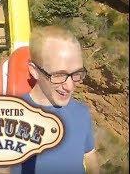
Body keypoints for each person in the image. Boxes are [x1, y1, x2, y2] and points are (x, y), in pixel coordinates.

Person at [13, 26, 99, 174]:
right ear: (34, 71)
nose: (70, 86)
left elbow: (90, 157)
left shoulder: (81, 113)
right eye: (59, 75)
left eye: (77, 73)